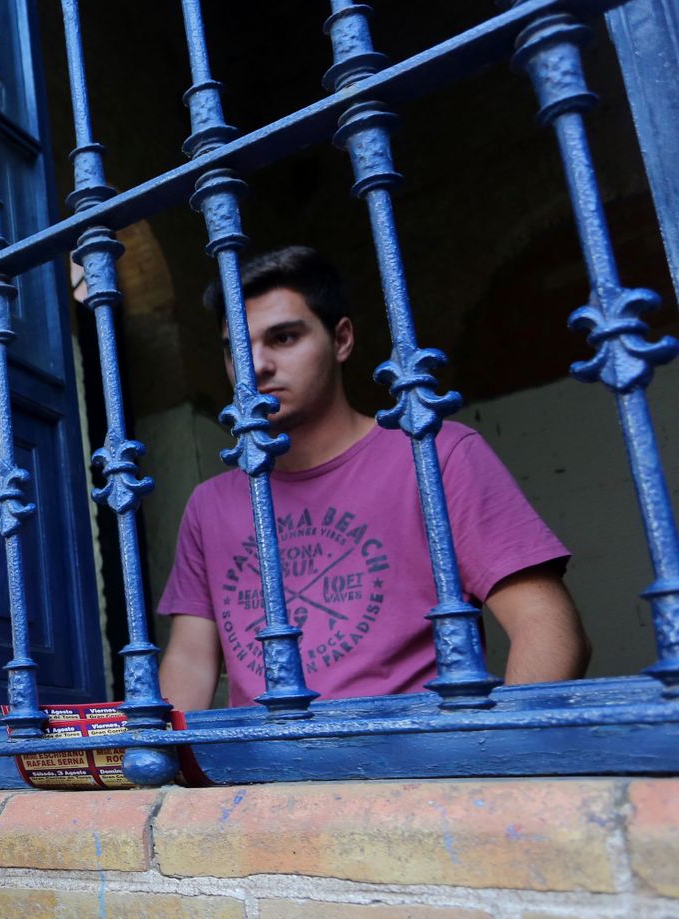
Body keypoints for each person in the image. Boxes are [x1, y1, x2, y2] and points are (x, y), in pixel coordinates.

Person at [157, 246, 589, 710]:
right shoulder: (210, 504)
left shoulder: (435, 455)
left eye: (283, 338)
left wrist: (493, 759)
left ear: (341, 339)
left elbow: (548, 627)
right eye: (236, 348)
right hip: (265, 776)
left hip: (412, 768)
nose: (256, 365)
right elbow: (191, 661)